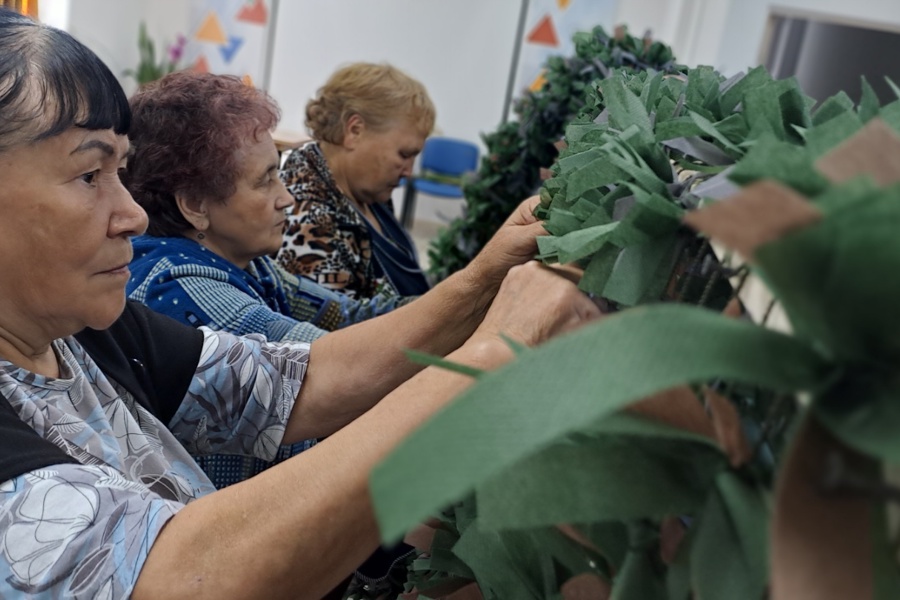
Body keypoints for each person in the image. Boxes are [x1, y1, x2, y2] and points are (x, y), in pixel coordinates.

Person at [0, 9, 600, 599]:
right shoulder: (174, 283)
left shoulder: (82, 332)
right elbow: (181, 578)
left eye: (121, 173)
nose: (130, 213)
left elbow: (292, 381)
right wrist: (493, 354)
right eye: (88, 175)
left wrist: (484, 280)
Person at [277, 62, 433, 300]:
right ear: (355, 130)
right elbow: (336, 330)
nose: (408, 171)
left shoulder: (368, 192)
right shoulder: (309, 219)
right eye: (404, 155)